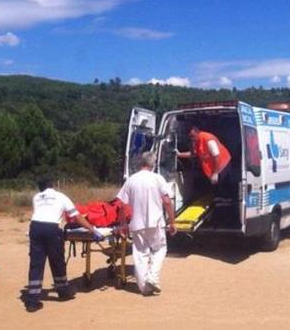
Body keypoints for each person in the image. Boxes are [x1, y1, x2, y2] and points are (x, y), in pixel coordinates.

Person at [24, 176, 103, 313]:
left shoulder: (36, 197)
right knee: (57, 261)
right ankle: (63, 292)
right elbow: (76, 216)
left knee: (36, 263)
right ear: (52, 185)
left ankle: (32, 301)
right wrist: (92, 229)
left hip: (35, 228)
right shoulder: (61, 196)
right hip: (52, 229)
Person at [116, 152, 176, 296]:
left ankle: (144, 287)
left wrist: (123, 224)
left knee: (140, 254)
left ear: (140, 163)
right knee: (160, 249)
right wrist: (172, 222)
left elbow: (122, 205)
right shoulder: (157, 178)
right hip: (156, 222)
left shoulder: (131, 180)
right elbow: (167, 201)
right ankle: (152, 278)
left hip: (137, 223)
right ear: (153, 164)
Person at [177, 126, 232, 194]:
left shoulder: (208, 139)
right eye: (190, 137)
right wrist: (179, 154)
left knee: (222, 190)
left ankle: (222, 200)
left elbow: (216, 157)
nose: (192, 138)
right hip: (214, 169)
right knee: (215, 189)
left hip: (222, 166)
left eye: (193, 136)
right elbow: (193, 154)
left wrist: (215, 173)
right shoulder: (196, 141)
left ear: (198, 133)